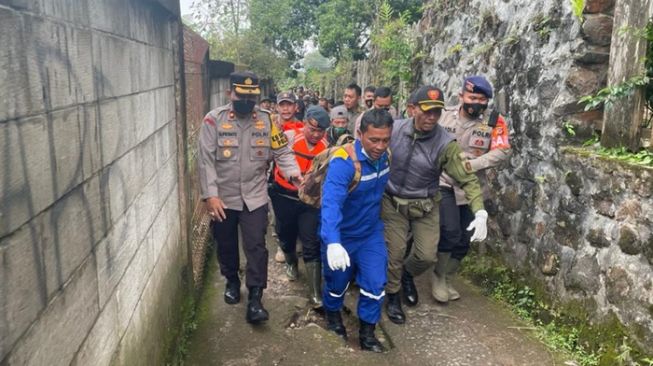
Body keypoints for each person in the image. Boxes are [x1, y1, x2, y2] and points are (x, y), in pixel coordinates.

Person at [198, 71, 301, 324]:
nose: (246, 102)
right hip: (223, 197)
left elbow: (282, 152)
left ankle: (255, 298)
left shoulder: (267, 121)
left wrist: (294, 174)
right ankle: (232, 280)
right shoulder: (214, 121)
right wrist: (211, 195)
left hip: (254, 196)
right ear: (229, 93)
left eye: (251, 98)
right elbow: (205, 161)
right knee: (226, 244)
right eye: (240, 96)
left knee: (256, 246)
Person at [382, 85, 488, 325]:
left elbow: (467, 179)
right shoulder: (394, 130)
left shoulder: (446, 143)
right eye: (426, 111)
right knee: (395, 253)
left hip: (425, 203)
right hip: (392, 201)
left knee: (426, 256)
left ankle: (408, 275)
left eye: (436, 112)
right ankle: (393, 294)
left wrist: (480, 211)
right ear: (412, 109)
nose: (431, 117)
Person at [433, 76, 512, 303]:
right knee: (450, 231)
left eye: (481, 99)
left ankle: (448, 276)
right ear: (461, 97)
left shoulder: (494, 121)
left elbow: (502, 150)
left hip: (473, 187)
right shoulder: (445, 115)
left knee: (465, 237)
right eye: (472, 97)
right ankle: (438, 276)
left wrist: (472, 165)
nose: (476, 102)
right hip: (444, 182)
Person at [321, 108, 393, 353]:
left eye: (385, 140)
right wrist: (332, 242)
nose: (380, 146)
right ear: (360, 134)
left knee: (375, 284)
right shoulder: (344, 162)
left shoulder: (386, 157)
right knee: (336, 283)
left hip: (370, 234)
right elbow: (330, 203)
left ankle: (367, 334)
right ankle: (333, 317)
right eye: (374, 139)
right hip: (341, 237)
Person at [269, 106, 331, 307]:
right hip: (284, 195)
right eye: (312, 129)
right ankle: (291, 262)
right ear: (304, 123)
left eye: (320, 131)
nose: (315, 134)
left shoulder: (326, 147)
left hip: (309, 201)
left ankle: (315, 293)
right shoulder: (288, 137)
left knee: (311, 241)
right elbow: (270, 157)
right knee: (285, 234)